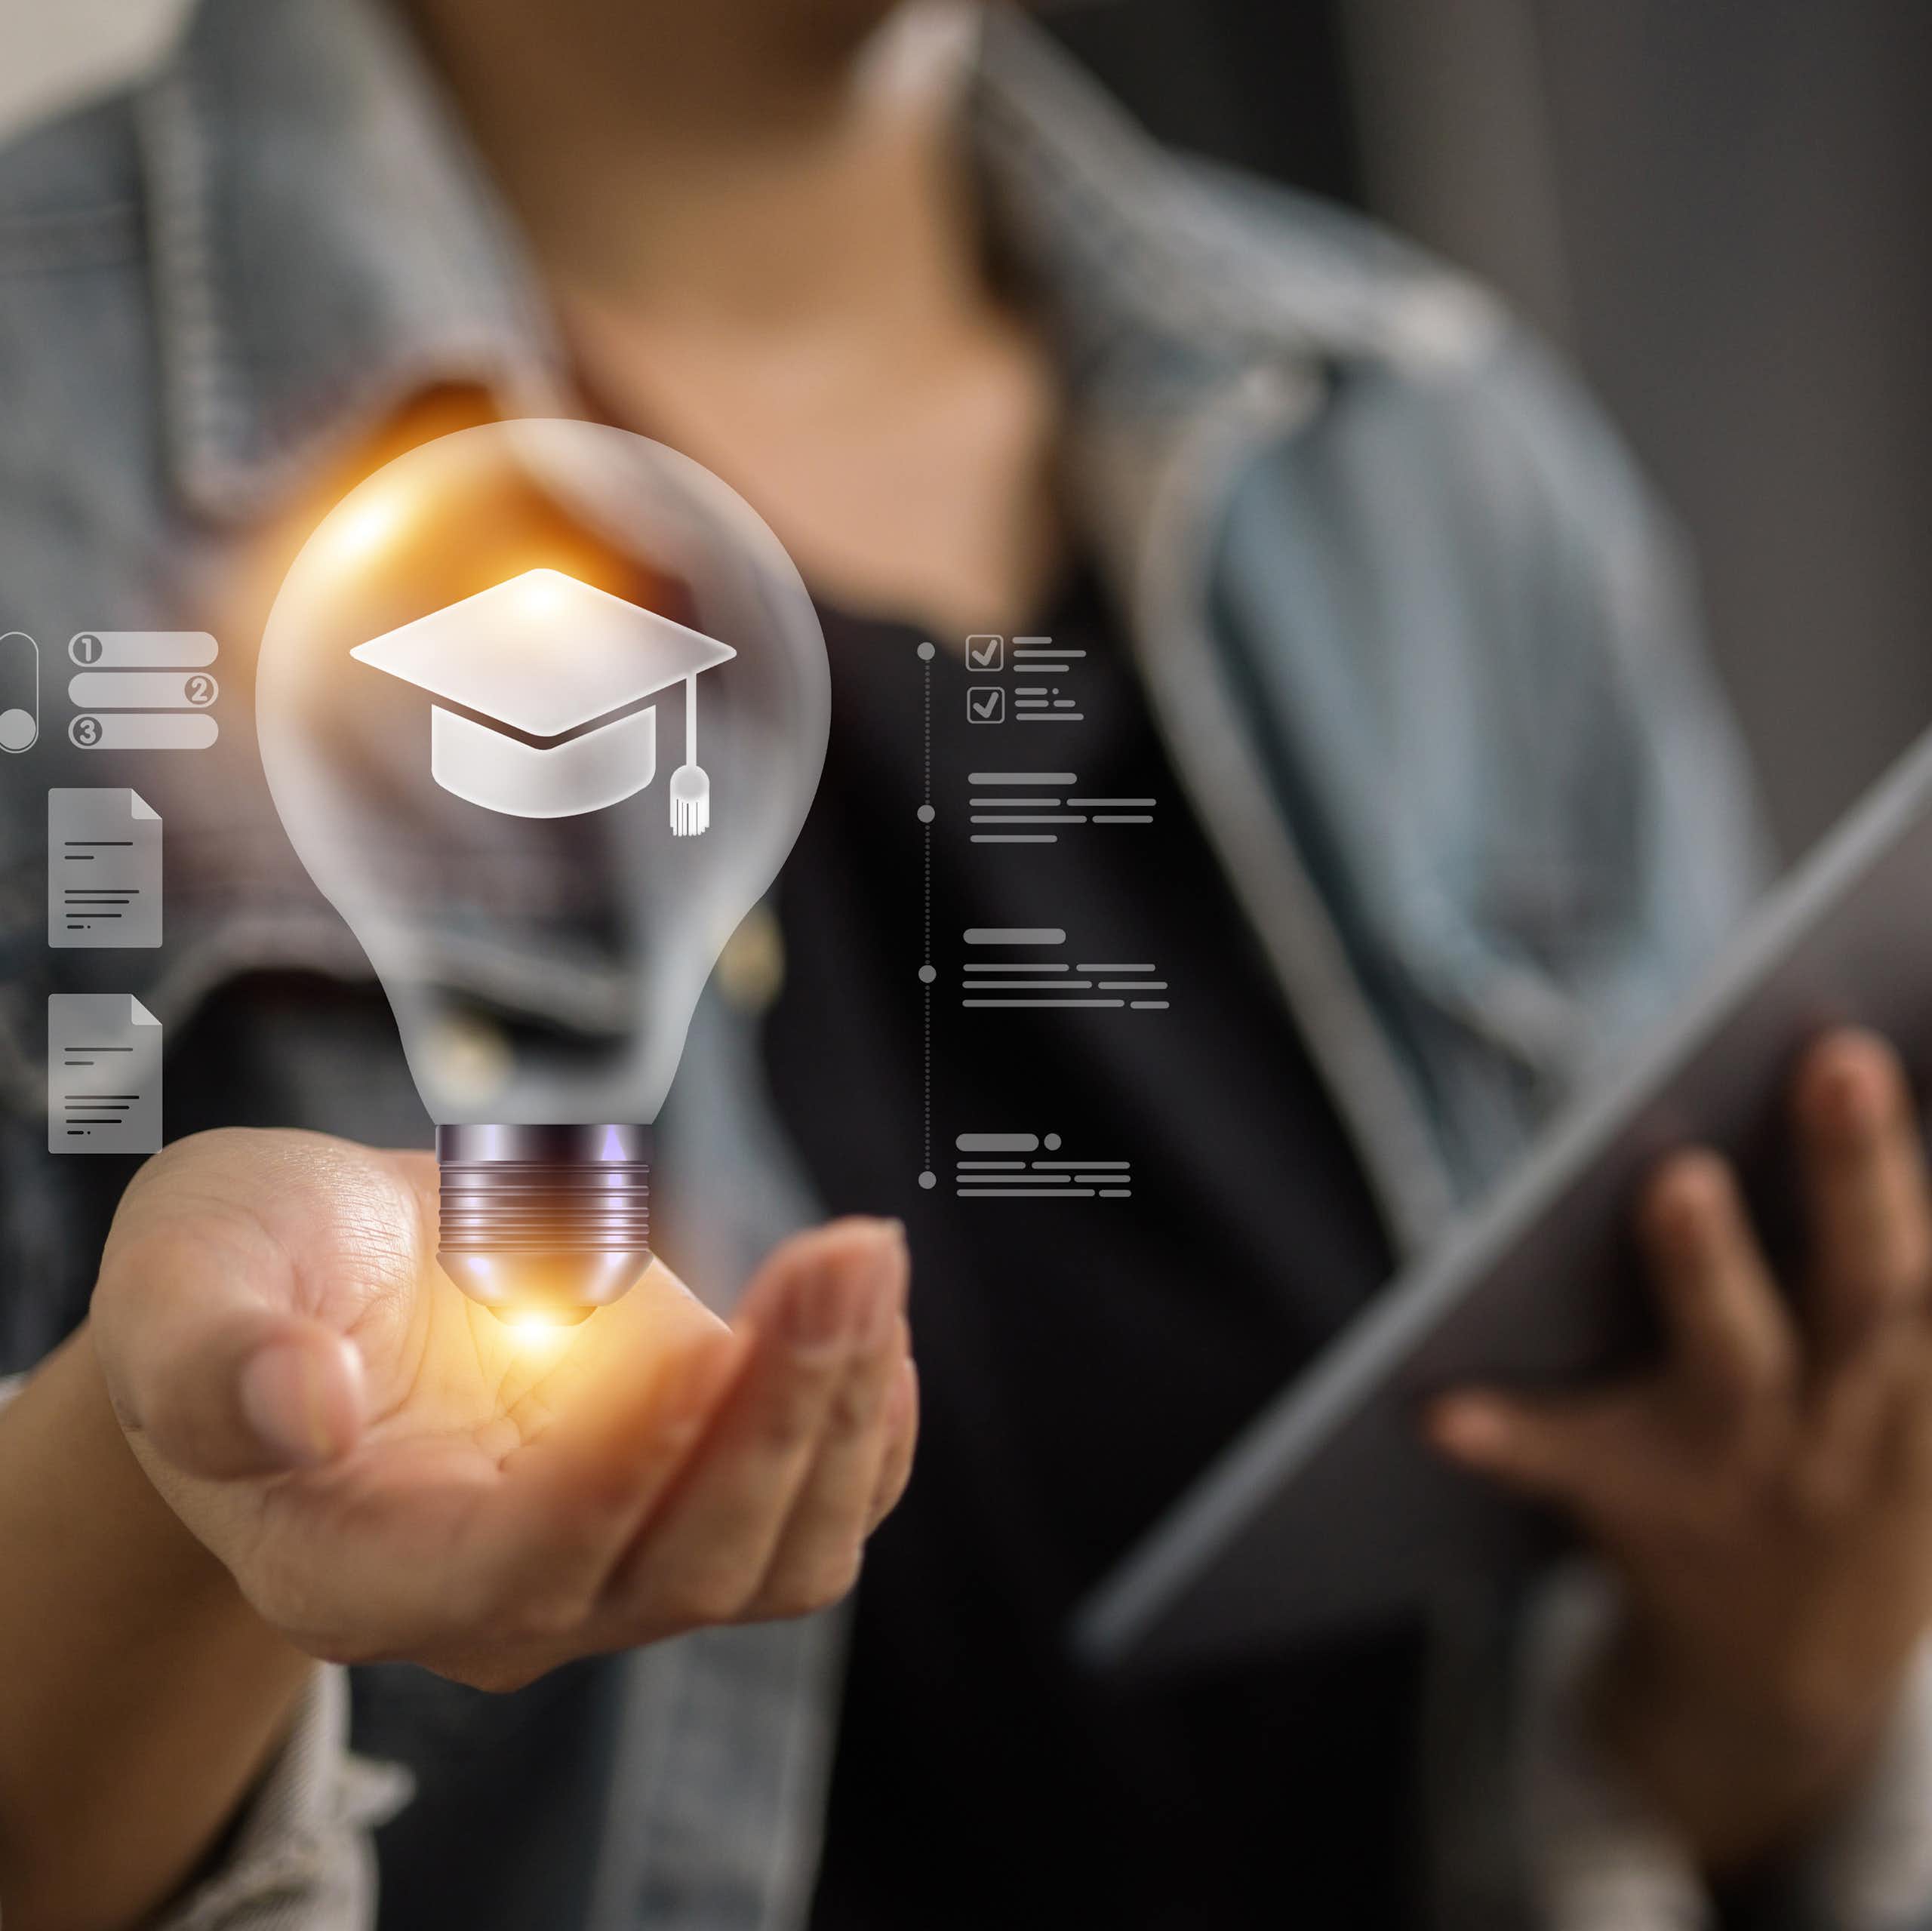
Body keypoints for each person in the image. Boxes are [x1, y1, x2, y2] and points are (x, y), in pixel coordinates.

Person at [3, 2, 1932, 1928]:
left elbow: (1634, 1736)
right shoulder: (46, 472)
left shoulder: (1434, 463)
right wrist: (164, 1491)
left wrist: (1762, 1704)